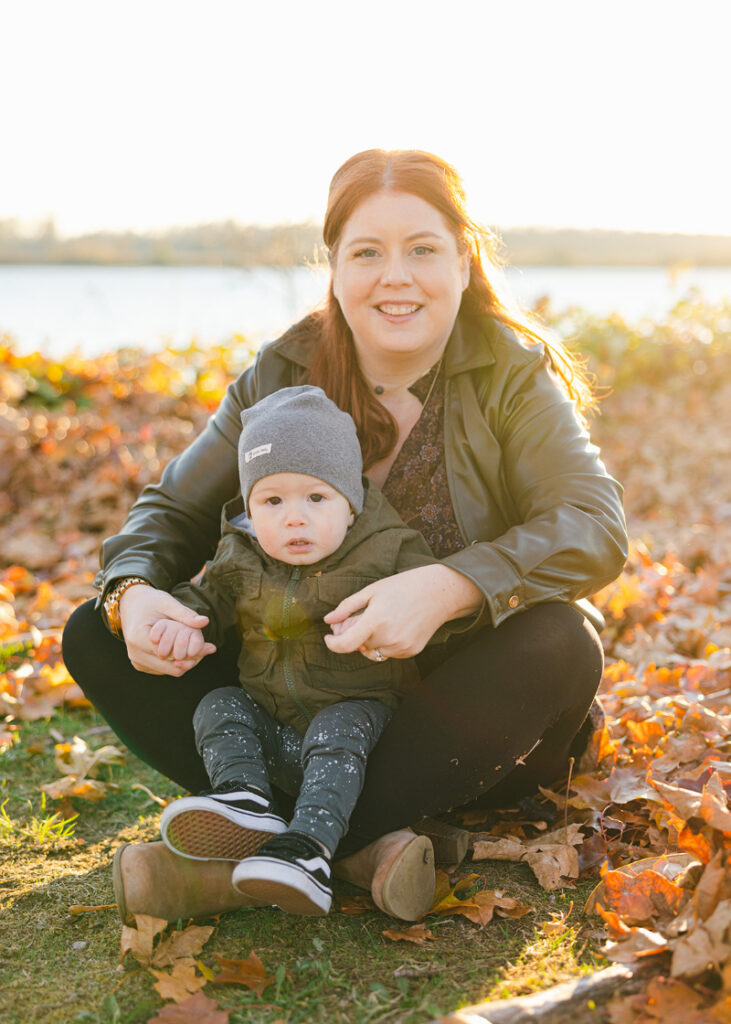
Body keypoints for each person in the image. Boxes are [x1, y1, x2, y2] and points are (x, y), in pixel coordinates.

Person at [63, 148, 628, 923]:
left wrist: (451, 584)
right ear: (334, 266)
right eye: (367, 252)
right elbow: (168, 513)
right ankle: (351, 845)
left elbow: (595, 523)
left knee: (562, 637)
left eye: (422, 249)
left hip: (452, 720)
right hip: (291, 698)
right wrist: (132, 596)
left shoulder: (509, 374)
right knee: (92, 629)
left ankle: (251, 862)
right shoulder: (283, 372)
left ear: (462, 261)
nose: (395, 275)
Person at [155, 384, 454, 915]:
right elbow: (202, 603)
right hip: (280, 735)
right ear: (250, 508)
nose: (295, 517)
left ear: (350, 502)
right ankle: (245, 800)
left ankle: (309, 850)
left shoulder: (388, 548)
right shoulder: (239, 555)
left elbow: (438, 614)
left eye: (316, 498)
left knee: (338, 726)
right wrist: (179, 625)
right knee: (218, 705)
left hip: (363, 733)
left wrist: (419, 619)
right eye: (272, 501)